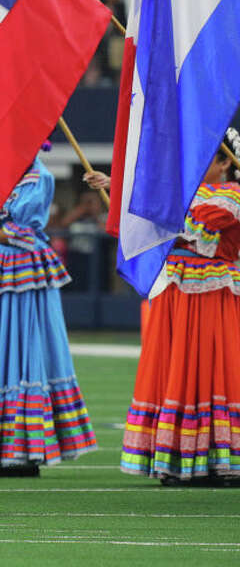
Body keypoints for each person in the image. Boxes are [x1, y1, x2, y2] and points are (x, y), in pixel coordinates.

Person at [0, 148, 96, 477]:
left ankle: (24, 447)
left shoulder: (41, 178)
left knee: (26, 349)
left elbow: (21, 233)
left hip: (23, 269)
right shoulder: (0, 173)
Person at [121, 133, 240, 486]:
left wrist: (164, 215)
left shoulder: (231, 196)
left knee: (211, 366)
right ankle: (175, 458)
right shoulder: (187, 191)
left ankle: (215, 459)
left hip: (213, 293)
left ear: (226, 163)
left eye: (210, 158)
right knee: (173, 367)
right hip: (177, 291)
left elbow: (194, 223)